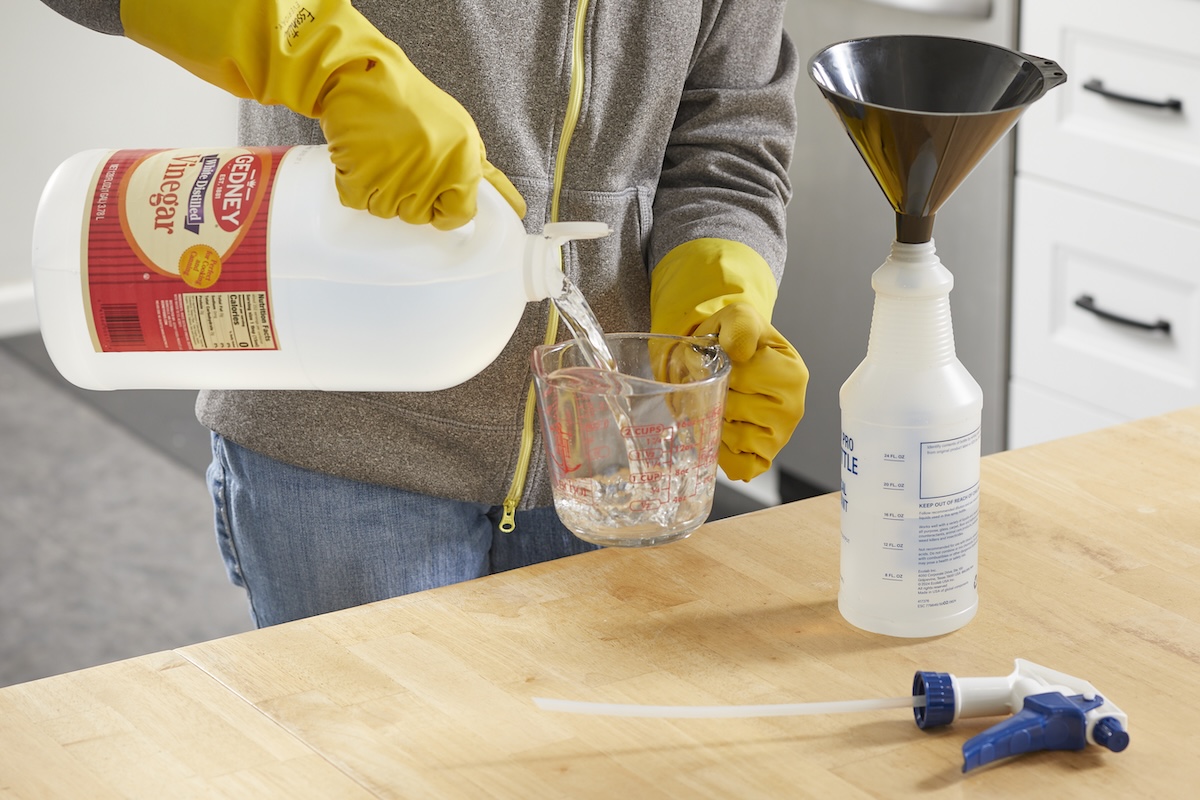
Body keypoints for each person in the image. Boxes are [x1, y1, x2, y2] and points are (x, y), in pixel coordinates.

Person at [42, 0, 809, 627]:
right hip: (344, 456)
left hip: (610, 458)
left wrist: (720, 280)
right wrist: (310, 45)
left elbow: (730, 137)